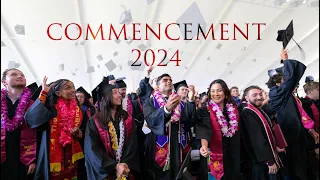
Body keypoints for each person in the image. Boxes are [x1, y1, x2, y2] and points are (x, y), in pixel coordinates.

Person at [267, 49, 317, 180]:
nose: (292, 84)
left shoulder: (287, 95)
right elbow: (290, 80)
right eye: (285, 80)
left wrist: (310, 130)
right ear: (278, 83)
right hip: (290, 136)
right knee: (296, 170)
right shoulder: (275, 93)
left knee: (305, 167)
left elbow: (291, 80)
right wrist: (286, 60)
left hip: (298, 136)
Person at [24, 77, 85, 180]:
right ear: (58, 93)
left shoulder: (78, 109)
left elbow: (85, 130)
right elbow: (31, 119)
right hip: (51, 153)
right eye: (68, 88)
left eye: (73, 87)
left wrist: (79, 133)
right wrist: (43, 93)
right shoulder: (50, 108)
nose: (73, 90)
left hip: (72, 154)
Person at [143, 74, 196, 180]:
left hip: (178, 145)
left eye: (170, 80)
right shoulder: (150, 102)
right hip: (158, 145)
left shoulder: (180, 103)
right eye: (165, 80)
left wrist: (190, 101)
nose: (169, 82)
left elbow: (190, 121)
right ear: (157, 87)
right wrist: (166, 109)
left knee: (178, 174)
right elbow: (151, 119)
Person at [84, 78, 139, 180]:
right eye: (114, 93)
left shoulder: (127, 118)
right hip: (105, 172)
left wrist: (124, 164)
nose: (119, 95)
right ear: (105, 97)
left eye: (119, 92)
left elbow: (133, 144)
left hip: (126, 169)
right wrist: (115, 165)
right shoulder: (95, 121)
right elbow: (93, 148)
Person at [196, 79, 240, 180]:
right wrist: (204, 146)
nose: (216, 94)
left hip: (232, 150)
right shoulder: (205, 110)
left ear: (225, 92)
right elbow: (203, 128)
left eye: (219, 90)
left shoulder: (234, 109)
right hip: (213, 151)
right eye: (212, 91)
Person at [240, 85, 285, 180]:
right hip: (261, 161)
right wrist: (269, 161)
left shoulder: (258, 110)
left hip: (265, 157)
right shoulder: (247, 112)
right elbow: (257, 139)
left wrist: (275, 147)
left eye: (260, 94)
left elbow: (266, 133)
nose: (259, 97)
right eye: (254, 95)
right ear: (247, 98)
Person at [1, 68, 37, 180]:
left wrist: (34, 160)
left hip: (25, 157)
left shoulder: (34, 104)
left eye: (22, 74)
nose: (20, 76)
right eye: (14, 74)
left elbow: (40, 133)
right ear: (4, 82)